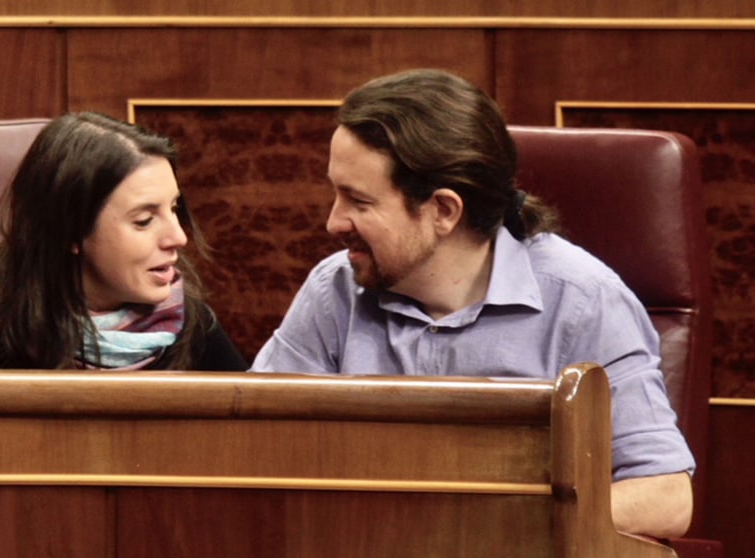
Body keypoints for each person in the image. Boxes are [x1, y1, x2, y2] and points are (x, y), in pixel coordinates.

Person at [250, 69, 694, 538]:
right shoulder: (333, 291)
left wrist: (477, 528)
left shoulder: (583, 301)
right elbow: (252, 449)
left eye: (358, 201)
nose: (333, 222)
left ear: (443, 210)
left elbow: (664, 497)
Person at [0, 112, 246, 372]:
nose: (178, 237)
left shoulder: (193, 327)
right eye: (144, 220)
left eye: (173, 209)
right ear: (70, 231)